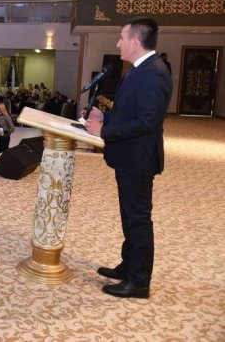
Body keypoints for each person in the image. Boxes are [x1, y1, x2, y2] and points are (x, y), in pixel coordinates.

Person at [85, 17, 172, 299]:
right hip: (128, 157)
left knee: (138, 220)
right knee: (129, 216)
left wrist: (105, 130)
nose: (118, 43)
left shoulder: (155, 73)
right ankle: (129, 266)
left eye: (122, 38)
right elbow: (129, 113)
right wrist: (104, 117)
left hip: (139, 159)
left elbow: (147, 122)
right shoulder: (138, 69)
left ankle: (139, 281)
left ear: (135, 41)